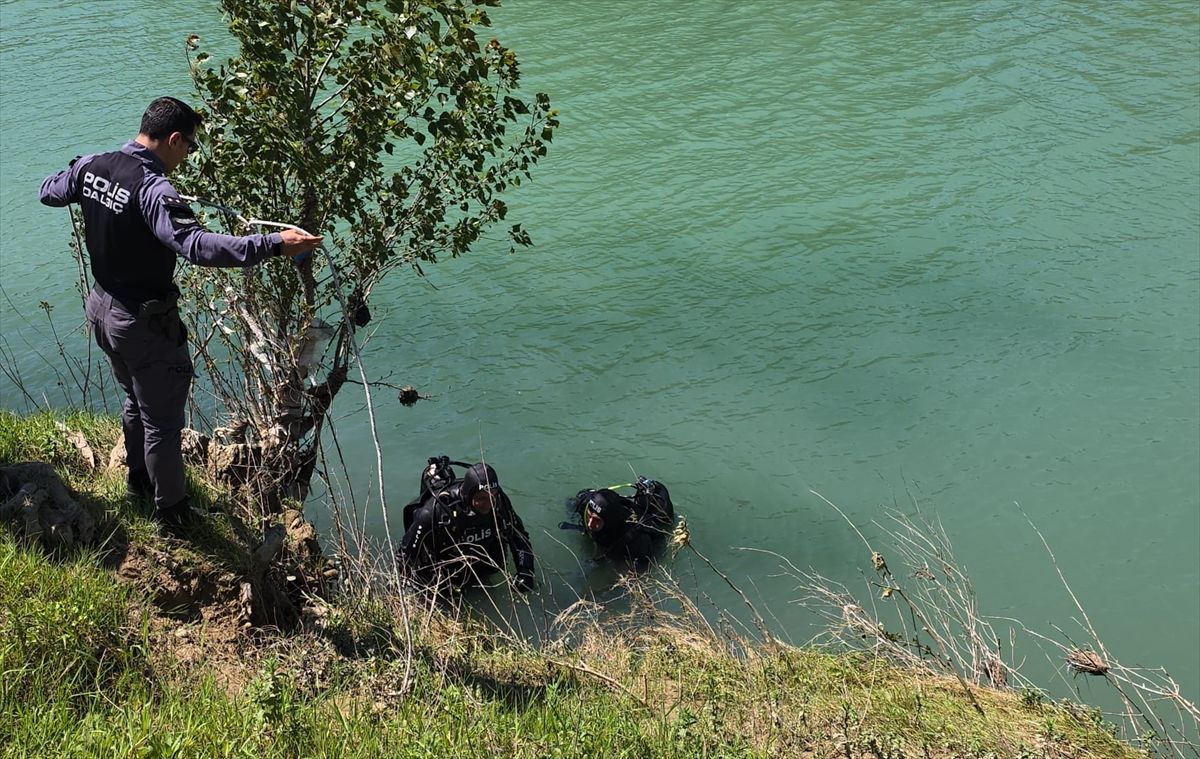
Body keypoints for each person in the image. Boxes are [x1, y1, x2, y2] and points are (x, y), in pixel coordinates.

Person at [39, 97, 323, 531]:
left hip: (102, 308)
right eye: (189, 146)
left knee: (136, 401)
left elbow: (49, 191)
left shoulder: (93, 165)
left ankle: (138, 485)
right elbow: (198, 247)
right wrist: (276, 244)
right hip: (143, 323)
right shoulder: (155, 191)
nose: (187, 156)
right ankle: (172, 514)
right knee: (163, 423)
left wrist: (82, 175)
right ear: (173, 139)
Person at [398, 458, 536, 592]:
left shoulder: (499, 502)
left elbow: (519, 537)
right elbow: (405, 555)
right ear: (468, 496)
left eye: (492, 496)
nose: (488, 503)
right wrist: (397, 589)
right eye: (481, 498)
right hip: (445, 575)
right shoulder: (435, 511)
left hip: (482, 566)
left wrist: (526, 570)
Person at [568, 476, 675, 564]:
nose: (590, 523)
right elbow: (572, 502)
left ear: (609, 521)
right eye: (589, 516)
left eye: (596, 520)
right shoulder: (588, 505)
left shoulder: (637, 539)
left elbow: (643, 571)